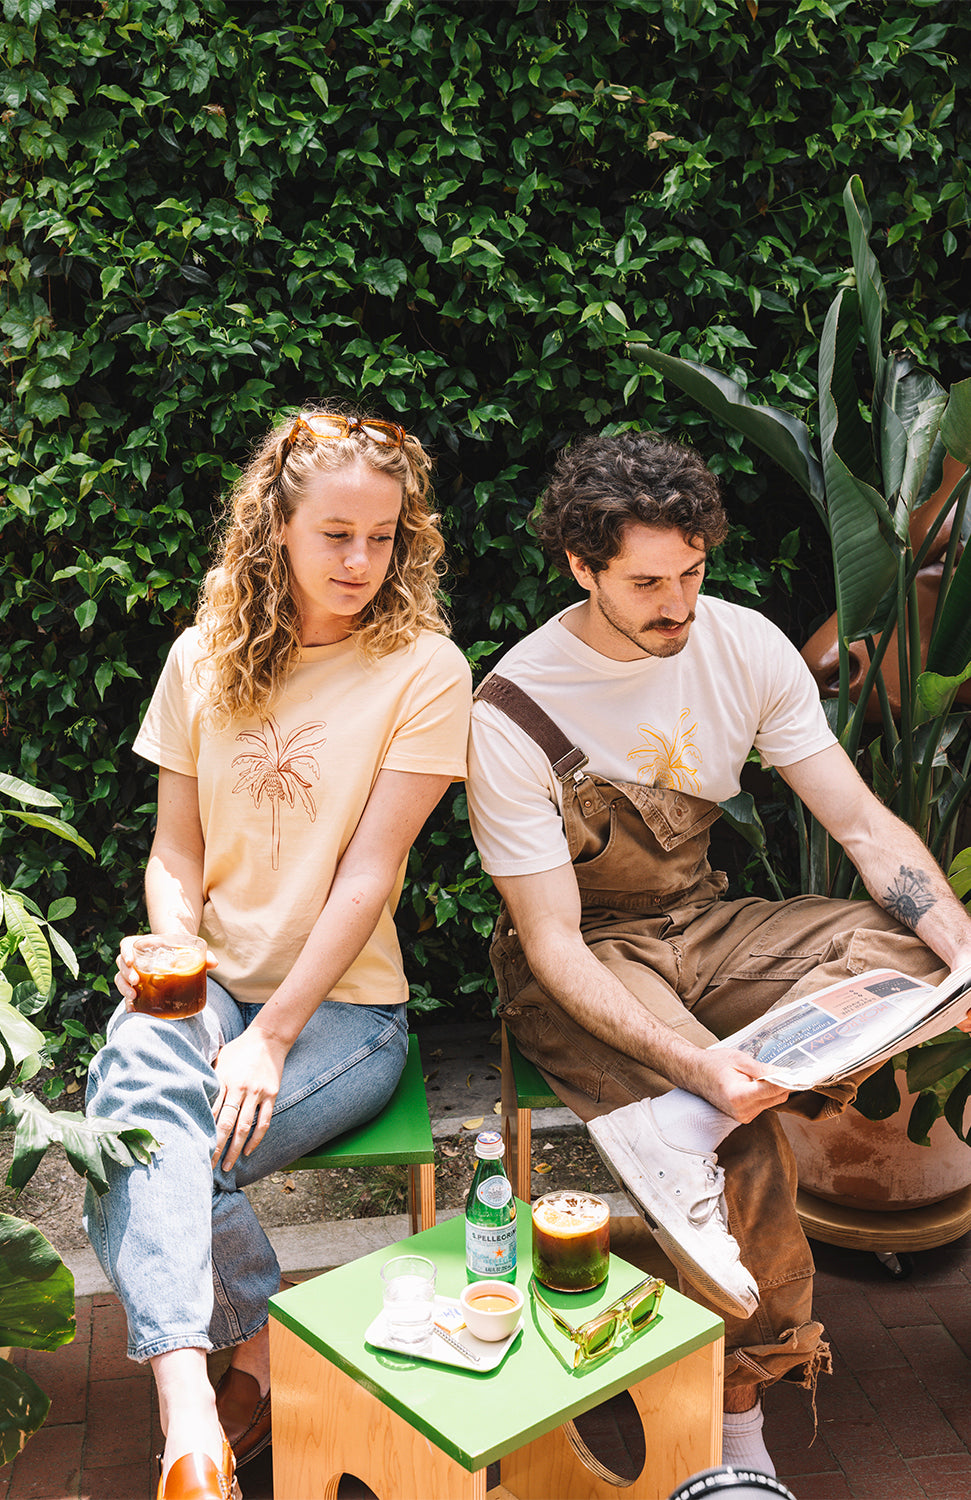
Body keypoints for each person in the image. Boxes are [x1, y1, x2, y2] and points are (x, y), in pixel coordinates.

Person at [466, 430, 971, 1476]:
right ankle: (737, 1438)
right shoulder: (513, 707)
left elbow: (860, 827)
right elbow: (551, 939)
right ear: (581, 567)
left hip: (702, 922)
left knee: (915, 955)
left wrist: (957, 946)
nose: (677, 606)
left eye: (691, 574)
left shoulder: (743, 646)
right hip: (582, 955)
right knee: (746, 1150)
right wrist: (695, 1063)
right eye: (646, 583)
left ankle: (688, 1118)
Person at [83, 408, 472, 1500]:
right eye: (335, 535)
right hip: (208, 985)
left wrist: (275, 1036)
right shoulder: (200, 657)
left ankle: (242, 1360)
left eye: (383, 537)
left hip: (342, 1012)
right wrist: (171, 948)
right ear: (276, 529)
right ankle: (196, 1403)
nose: (360, 561)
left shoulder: (424, 668)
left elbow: (369, 875)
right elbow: (175, 850)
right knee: (135, 1113)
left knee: (150, 1148)